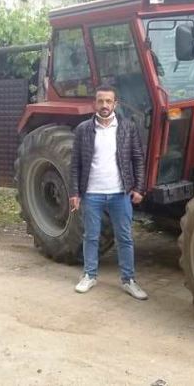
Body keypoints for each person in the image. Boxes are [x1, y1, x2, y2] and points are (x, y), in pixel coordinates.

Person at [69, 86, 148, 300]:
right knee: (91, 237)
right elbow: (75, 164)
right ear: (95, 103)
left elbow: (138, 159)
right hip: (91, 193)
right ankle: (89, 275)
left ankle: (128, 280)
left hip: (119, 193)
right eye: (100, 101)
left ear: (115, 104)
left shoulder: (127, 128)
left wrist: (139, 187)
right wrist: (74, 192)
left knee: (124, 237)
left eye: (108, 101)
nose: (104, 105)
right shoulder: (83, 129)